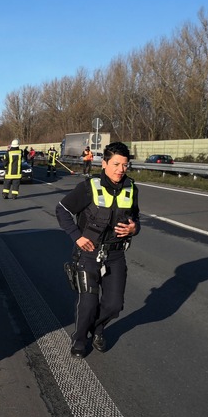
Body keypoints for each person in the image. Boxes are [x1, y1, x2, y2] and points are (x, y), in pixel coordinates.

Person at [56, 142, 140, 359]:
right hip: (89, 253)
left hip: (116, 255)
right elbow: (62, 210)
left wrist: (134, 228)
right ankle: (80, 339)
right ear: (104, 163)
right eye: (115, 164)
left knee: (114, 305)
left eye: (125, 165)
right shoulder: (88, 187)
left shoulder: (131, 188)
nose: (120, 169)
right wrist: (77, 237)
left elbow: (135, 218)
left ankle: (98, 328)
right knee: (89, 302)